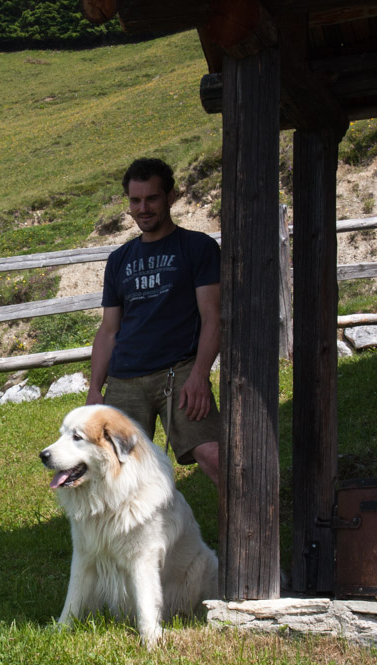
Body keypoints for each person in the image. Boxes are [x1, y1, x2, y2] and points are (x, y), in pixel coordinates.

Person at [87, 157, 221, 485]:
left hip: (181, 372)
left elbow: (213, 316)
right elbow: (109, 331)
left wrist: (201, 375)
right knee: (116, 473)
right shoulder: (119, 260)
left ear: (171, 196)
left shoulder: (197, 247)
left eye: (152, 198)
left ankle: (244, 534)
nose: (143, 208)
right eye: (135, 200)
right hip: (126, 379)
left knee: (214, 456)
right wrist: (94, 388)